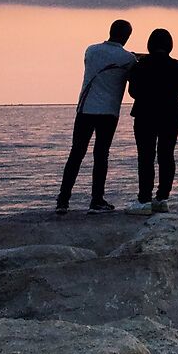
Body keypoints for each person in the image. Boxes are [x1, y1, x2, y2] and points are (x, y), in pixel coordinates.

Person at [59, 19, 137, 214]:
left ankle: (63, 200)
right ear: (127, 36)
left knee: (76, 154)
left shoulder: (91, 50)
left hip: (85, 109)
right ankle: (96, 199)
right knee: (101, 155)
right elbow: (131, 68)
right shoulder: (128, 59)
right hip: (109, 112)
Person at [126, 28, 178, 211]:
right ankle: (162, 198)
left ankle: (144, 199)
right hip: (172, 114)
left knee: (145, 156)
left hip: (145, 113)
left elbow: (133, 92)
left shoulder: (140, 66)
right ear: (170, 45)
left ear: (150, 44)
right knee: (166, 155)